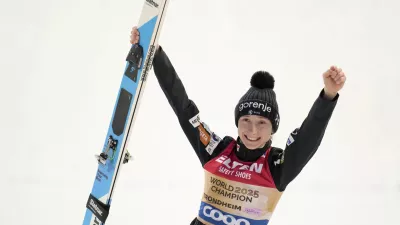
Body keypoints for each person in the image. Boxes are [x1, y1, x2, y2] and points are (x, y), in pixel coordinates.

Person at [130, 26, 346, 225]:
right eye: (246, 121)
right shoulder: (217, 149)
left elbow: (308, 139)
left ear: (273, 128)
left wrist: (328, 96)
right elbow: (184, 108)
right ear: (237, 123)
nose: (252, 131)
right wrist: (155, 54)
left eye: (262, 123)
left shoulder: (278, 167)